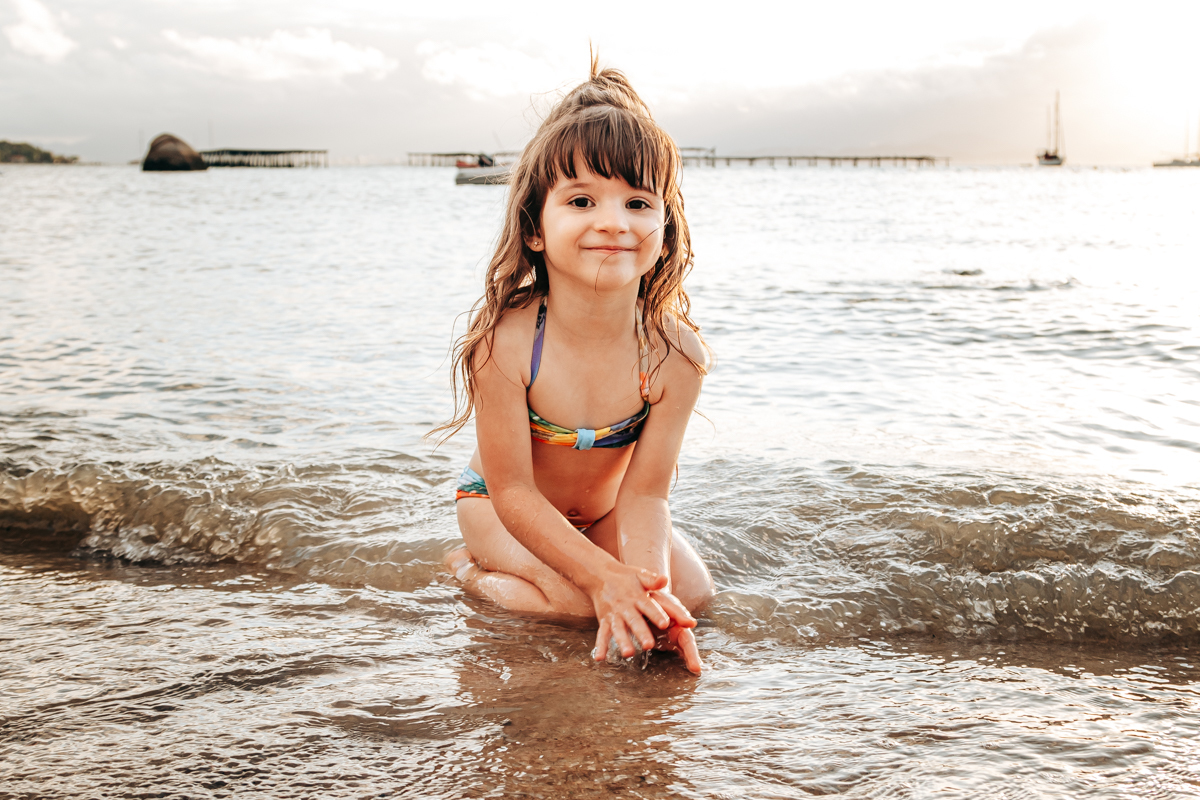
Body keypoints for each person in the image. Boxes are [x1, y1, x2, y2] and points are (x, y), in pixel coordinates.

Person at [436, 57, 714, 674]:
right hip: (500, 508)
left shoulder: (675, 356)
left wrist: (646, 590)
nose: (613, 222)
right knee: (569, 605)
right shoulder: (507, 344)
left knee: (690, 597)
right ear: (535, 228)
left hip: (607, 513)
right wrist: (600, 580)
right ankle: (464, 569)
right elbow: (513, 491)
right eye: (582, 200)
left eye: (637, 202)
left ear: (665, 228)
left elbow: (645, 494)